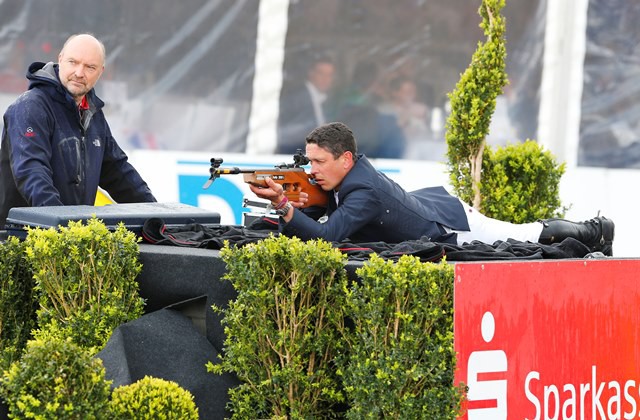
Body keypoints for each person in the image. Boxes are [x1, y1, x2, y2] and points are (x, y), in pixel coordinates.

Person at [249, 122, 615, 256]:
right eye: (308, 163)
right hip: (430, 206)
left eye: (318, 163)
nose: (312, 171)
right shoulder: (344, 176)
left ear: (346, 159)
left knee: (527, 237)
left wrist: (283, 204)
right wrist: (294, 200)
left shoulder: (363, 191)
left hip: (450, 224)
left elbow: (328, 236)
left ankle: (595, 231)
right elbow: (306, 225)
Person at [0, 33, 156, 229]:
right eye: (73, 62)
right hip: (24, 241)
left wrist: (157, 216)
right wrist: (64, 229)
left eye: (90, 67)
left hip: (71, 240)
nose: (79, 73)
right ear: (60, 60)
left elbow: (119, 172)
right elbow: (32, 173)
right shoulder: (29, 107)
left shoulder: (93, 113)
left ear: (101, 72)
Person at [276, 55, 336, 155]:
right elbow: (286, 133)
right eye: (321, 73)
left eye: (330, 75)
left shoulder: (323, 100)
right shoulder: (296, 98)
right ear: (311, 73)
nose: (326, 79)